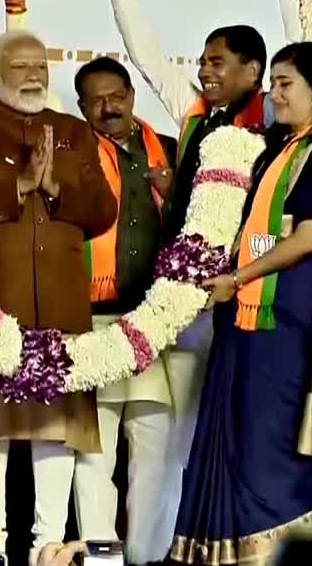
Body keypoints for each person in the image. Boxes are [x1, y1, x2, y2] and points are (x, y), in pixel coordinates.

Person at [172, 41, 312, 564]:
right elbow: (270, 236)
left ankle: (277, 554)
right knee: (240, 437)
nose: (274, 93)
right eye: (272, 83)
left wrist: (239, 275)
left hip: (292, 327)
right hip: (249, 317)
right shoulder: (277, 151)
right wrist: (235, 268)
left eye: (286, 83)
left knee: (273, 444)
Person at [105, 0, 300, 472]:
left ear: (253, 70)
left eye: (217, 63)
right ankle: (164, 546)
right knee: (174, 436)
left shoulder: (274, 117)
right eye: (202, 62)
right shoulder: (196, 114)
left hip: (238, 292)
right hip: (178, 289)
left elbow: (307, 51)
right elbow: (145, 56)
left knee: (217, 428)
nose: (204, 71)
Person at [0, 29, 117, 564]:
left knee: (55, 425)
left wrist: (53, 187)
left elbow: (102, 212)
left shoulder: (74, 133)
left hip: (60, 297)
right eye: (20, 67)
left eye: (41, 65)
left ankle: (48, 544)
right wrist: (17, 188)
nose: (34, 75)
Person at [66, 56, 180, 566]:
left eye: (117, 96)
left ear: (133, 95)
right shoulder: (72, 157)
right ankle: (101, 559)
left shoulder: (173, 155)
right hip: (91, 317)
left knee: (154, 450)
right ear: (81, 107)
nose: (109, 107)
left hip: (156, 321)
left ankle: (147, 557)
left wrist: (171, 193)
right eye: (97, 100)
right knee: (94, 451)